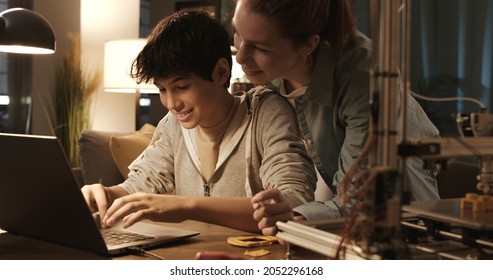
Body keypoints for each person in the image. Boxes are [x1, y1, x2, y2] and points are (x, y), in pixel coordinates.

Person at [81, 9, 316, 233]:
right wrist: (105, 195)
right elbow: (137, 187)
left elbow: (292, 201)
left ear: (221, 72)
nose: (171, 103)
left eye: (182, 87)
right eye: (162, 89)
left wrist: (186, 207)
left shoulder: (267, 111)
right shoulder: (173, 125)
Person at [231, 0, 440, 235]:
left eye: (261, 48)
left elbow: (359, 200)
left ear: (308, 45)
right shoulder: (274, 69)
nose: (240, 57)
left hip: (406, 228)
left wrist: (296, 217)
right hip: (346, 223)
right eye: (237, 34)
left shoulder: (366, 78)